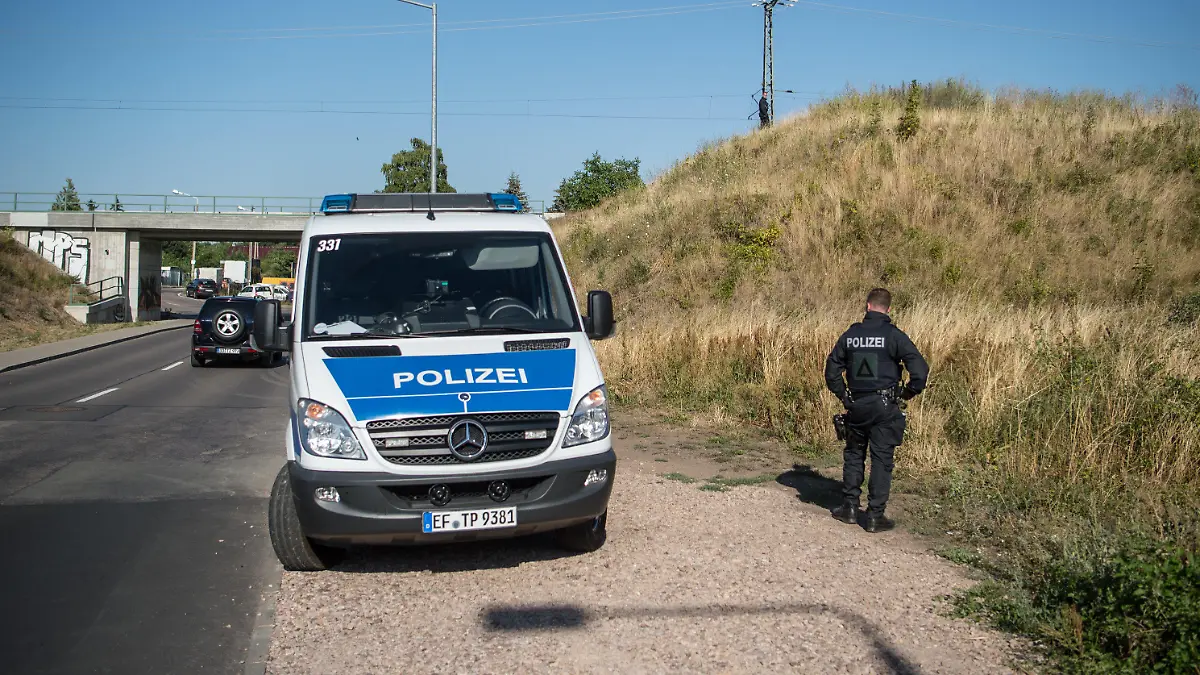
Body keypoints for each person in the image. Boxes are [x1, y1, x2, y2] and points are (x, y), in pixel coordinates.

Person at [823, 288, 928, 533]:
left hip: (857, 405)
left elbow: (831, 371)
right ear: (888, 310)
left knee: (853, 454)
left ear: (867, 306)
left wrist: (844, 396)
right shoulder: (894, 336)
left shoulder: (851, 335)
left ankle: (849, 507)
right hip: (884, 406)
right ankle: (874, 516)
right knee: (882, 460)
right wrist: (906, 394)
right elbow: (920, 372)